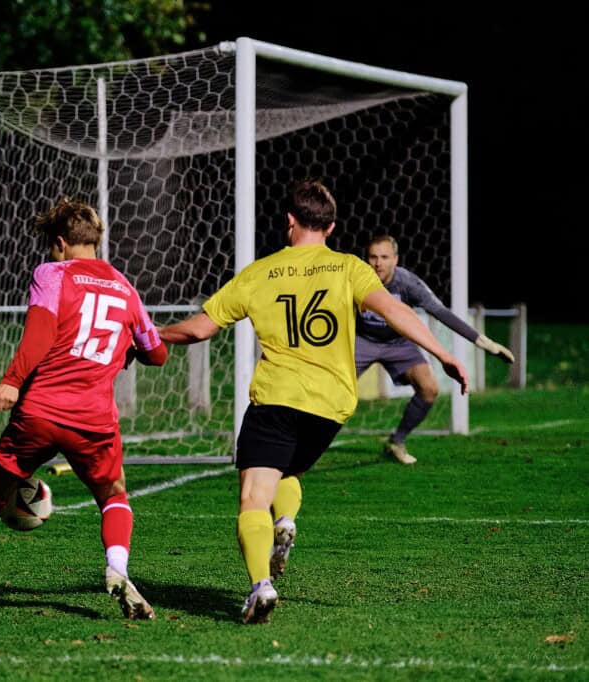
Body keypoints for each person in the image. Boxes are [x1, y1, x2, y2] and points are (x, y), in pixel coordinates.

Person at [157, 180, 468, 624]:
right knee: (289, 470)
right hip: (330, 408)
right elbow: (396, 312)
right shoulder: (348, 268)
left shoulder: (260, 272)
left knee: (252, 495)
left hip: (277, 400)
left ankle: (261, 585)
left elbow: (198, 330)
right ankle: (285, 522)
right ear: (332, 226)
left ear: (289, 222)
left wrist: (151, 335)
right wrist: (444, 355)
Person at [0, 198, 168, 620]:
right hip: (93, 421)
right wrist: (129, 348)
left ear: (61, 243)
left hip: (40, 412)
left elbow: (40, 333)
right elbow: (158, 354)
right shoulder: (125, 287)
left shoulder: (52, 273)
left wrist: (11, 380)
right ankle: (117, 568)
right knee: (112, 495)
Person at [357, 235, 514, 465]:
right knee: (335, 393)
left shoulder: (407, 283)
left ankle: (396, 442)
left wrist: (483, 342)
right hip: (363, 340)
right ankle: (305, 445)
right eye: (373, 257)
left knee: (429, 388)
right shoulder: (357, 278)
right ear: (366, 258)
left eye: (384, 257)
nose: (378, 263)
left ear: (395, 259)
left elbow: (441, 313)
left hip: (400, 342)